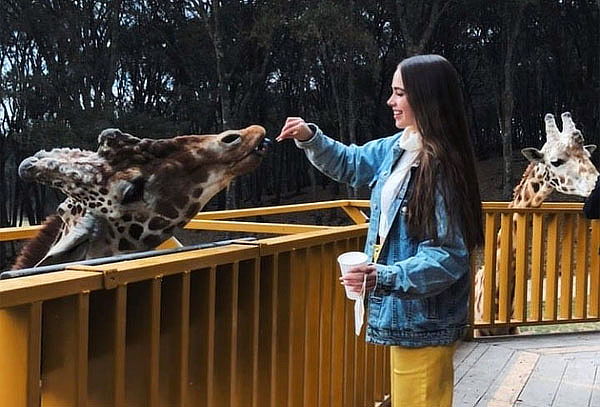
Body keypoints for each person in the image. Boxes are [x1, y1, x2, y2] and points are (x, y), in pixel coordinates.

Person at [277, 54, 484, 407]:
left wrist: (383, 277)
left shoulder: (441, 167)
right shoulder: (398, 148)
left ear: (426, 98)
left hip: (424, 323)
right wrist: (311, 137)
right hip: (409, 317)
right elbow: (350, 163)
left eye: (400, 93)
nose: (391, 101)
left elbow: (448, 256)